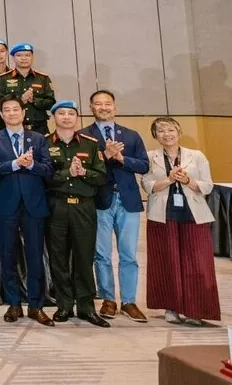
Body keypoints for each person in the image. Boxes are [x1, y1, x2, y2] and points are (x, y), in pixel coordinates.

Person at [141, 117, 219, 325]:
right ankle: (171, 307)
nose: (166, 134)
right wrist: (169, 179)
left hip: (193, 214)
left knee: (197, 262)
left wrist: (187, 180)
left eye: (170, 130)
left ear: (179, 132)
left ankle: (195, 310)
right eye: (161, 131)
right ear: (155, 136)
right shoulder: (150, 157)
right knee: (167, 262)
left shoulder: (197, 155)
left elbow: (207, 186)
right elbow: (147, 185)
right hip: (162, 215)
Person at [80, 90, 150, 322]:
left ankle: (129, 301)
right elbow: (84, 168)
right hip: (99, 200)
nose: (103, 107)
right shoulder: (84, 136)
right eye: (98, 104)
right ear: (91, 108)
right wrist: (105, 155)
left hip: (128, 200)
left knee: (128, 254)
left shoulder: (131, 135)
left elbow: (144, 165)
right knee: (101, 254)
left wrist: (121, 159)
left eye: (107, 103)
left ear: (115, 107)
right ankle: (108, 299)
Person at [0, 96, 54, 325]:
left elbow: (48, 169)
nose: (12, 113)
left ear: (23, 113)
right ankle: (13, 303)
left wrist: (31, 165)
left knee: (35, 255)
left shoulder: (38, 138)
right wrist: (15, 164)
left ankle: (36, 305)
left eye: (16, 109)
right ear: (1, 115)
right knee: (7, 255)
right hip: (6, 203)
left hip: (34, 203)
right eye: (7, 110)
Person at [44, 101, 110, 327]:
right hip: (57, 207)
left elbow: (101, 177)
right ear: (54, 117)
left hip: (84, 207)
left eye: (71, 113)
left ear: (77, 118)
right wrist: (67, 173)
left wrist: (83, 173)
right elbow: (42, 176)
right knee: (59, 258)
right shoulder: (44, 143)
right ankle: (64, 305)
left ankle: (86, 306)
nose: (66, 117)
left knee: (84, 256)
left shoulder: (91, 144)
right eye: (61, 113)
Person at [0, 43, 55, 134]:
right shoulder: (3, 79)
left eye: (27, 55)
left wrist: (34, 100)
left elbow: (51, 103)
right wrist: (20, 100)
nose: (24, 58)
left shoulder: (43, 78)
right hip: (13, 128)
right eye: (19, 55)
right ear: (13, 58)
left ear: (32, 57)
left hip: (39, 128)